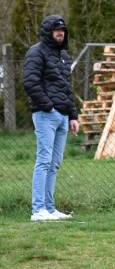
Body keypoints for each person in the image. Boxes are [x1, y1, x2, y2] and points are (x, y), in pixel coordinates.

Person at [22, 15, 79, 221]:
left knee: (55, 164)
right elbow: (30, 82)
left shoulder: (63, 56)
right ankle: (38, 210)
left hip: (63, 117)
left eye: (63, 30)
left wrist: (73, 115)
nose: (60, 33)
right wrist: (49, 106)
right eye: (56, 30)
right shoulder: (36, 52)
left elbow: (67, 88)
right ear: (48, 32)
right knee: (44, 161)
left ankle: (50, 209)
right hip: (46, 114)